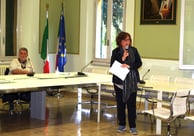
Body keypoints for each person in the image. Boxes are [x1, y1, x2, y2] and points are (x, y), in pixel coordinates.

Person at [110, 32, 142, 135]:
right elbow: (112, 65)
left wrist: (129, 66)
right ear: (120, 41)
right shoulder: (116, 52)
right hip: (119, 82)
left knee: (131, 105)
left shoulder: (134, 50)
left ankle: (133, 126)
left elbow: (139, 63)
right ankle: (122, 124)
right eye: (124, 40)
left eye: (128, 40)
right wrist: (122, 59)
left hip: (132, 81)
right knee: (121, 104)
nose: (127, 42)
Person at [3, 47, 34, 113]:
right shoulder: (14, 61)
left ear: (27, 55)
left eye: (25, 54)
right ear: (19, 54)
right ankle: (11, 108)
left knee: (33, 92)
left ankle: (32, 109)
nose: (23, 55)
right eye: (21, 53)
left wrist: (25, 72)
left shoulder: (29, 62)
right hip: (13, 84)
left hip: (25, 83)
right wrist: (26, 72)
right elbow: (14, 71)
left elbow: (32, 71)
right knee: (11, 95)